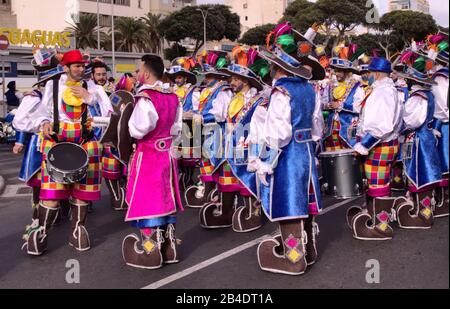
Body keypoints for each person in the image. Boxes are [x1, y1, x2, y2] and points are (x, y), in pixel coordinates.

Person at [255, 22, 324, 275]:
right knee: (305, 204)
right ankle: (309, 250)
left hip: (289, 156)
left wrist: (265, 162)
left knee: (289, 205)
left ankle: (294, 258)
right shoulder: (309, 90)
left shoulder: (281, 92)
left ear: (277, 67)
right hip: (306, 152)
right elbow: (318, 128)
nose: (270, 69)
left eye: (272, 64)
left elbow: (278, 134)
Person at [24, 50, 106, 256]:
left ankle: (77, 230)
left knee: (81, 194)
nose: (81, 69)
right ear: (65, 68)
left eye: (82, 65)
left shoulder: (92, 86)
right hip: (57, 144)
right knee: (51, 195)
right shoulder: (52, 86)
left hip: (85, 143)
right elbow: (38, 114)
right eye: (76, 66)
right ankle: (41, 233)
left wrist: (90, 98)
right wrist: (42, 123)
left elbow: (110, 112)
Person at [122, 54, 183, 270]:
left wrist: (126, 122)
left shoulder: (146, 97)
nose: (137, 74)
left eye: (139, 71)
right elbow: (176, 129)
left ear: (146, 73)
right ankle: (170, 248)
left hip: (149, 155)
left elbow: (138, 129)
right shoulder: (173, 96)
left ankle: (151, 250)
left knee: (148, 200)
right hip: (167, 154)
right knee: (167, 198)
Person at [199, 46, 269, 232]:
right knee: (227, 179)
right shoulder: (233, 97)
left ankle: (252, 213)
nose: (232, 81)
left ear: (246, 80)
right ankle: (227, 212)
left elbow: (260, 127)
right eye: (232, 78)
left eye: (236, 78)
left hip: (249, 147)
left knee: (247, 180)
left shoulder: (259, 100)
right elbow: (223, 117)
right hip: (230, 146)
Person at [346, 57, 404, 240]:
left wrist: (364, 145)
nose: (367, 76)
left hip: (380, 145)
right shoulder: (384, 90)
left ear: (376, 74)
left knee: (379, 185)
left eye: (369, 73)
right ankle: (375, 217)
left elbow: (382, 125)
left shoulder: (383, 92)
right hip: (383, 144)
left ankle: (382, 226)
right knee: (377, 183)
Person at [393, 46, 443, 229]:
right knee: (425, 174)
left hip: (418, 140)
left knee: (420, 175)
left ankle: (422, 216)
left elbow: (412, 120)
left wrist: (399, 127)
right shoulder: (428, 94)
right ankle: (423, 211)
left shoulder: (417, 97)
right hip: (427, 137)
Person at [183, 50, 232, 209]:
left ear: (218, 76)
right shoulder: (209, 90)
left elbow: (220, 115)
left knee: (216, 163)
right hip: (207, 131)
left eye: (209, 76)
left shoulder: (224, 91)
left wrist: (199, 117)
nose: (206, 78)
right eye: (206, 75)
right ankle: (209, 192)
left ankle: (219, 197)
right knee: (205, 162)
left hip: (218, 132)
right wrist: (195, 114)